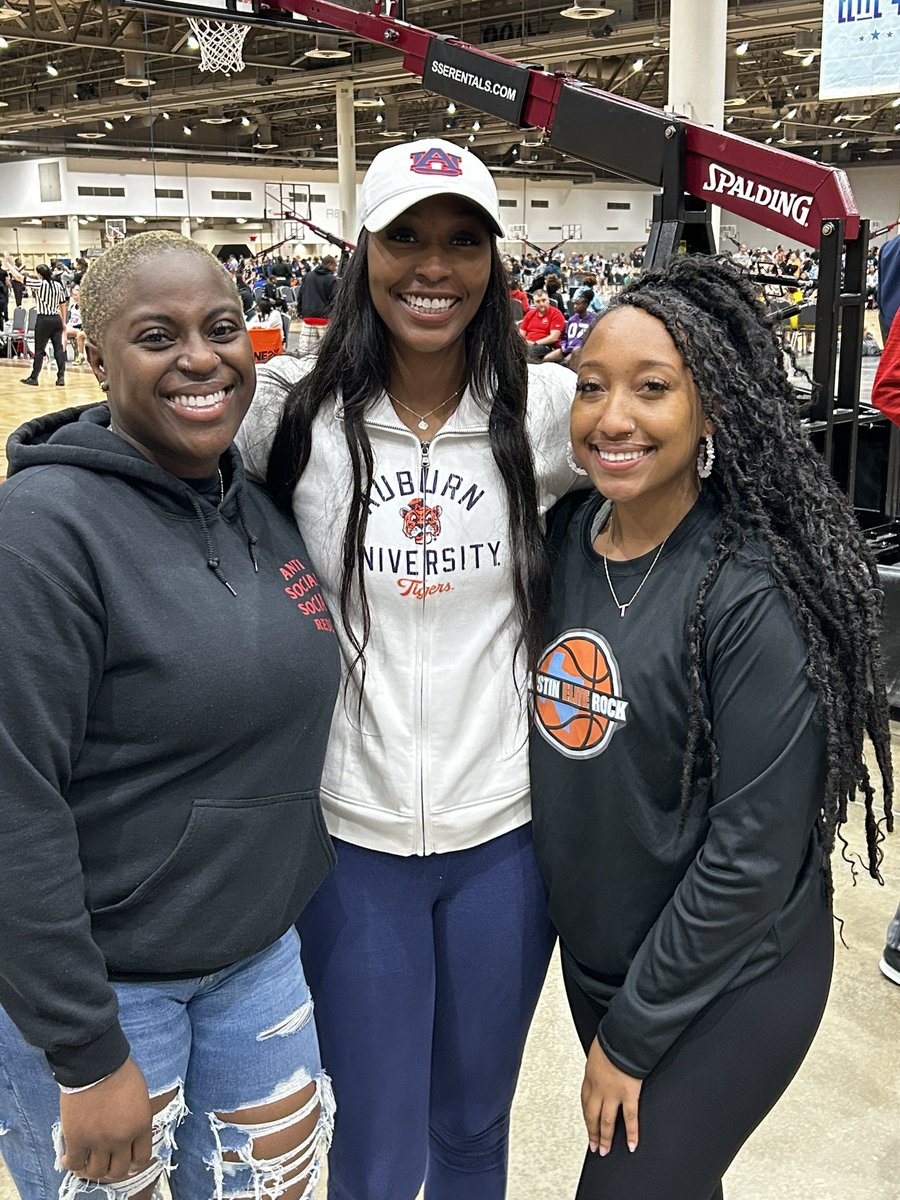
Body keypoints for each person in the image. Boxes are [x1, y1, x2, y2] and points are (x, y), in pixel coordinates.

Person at [237, 136, 581, 1200]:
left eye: (462, 242)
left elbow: (692, 439)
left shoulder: (551, 410)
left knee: (474, 1127)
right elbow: (147, 453)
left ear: (493, 263)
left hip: (507, 843)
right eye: (406, 240)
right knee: (375, 1146)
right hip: (353, 843)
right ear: (363, 257)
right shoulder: (288, 418)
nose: (434, 267)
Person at [529, 254, 893, 1200]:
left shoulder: (751, 591)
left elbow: (754, 854)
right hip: (607, 955)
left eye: (654, 390)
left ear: (713, 413)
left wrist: (633, 1036)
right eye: (592, 387)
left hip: (732, 975)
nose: (613, 418)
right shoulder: (570, 540)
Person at [0, 231, 339, 1200]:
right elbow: (12, 806)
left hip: (258, 964)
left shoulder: (256, 505)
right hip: (106, 995)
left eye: (222, 327)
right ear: (94, 355)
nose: (201, 357)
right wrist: (84, 1052)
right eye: (158, 335)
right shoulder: (41, 535)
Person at [15, 261, 68, 386]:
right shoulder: (58, 285)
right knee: (58, 349)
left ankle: (34, 377)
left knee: (39, 350)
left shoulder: (40, 283)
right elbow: (63, 304)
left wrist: (10, 266)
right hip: (56, 319)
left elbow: (20, 278)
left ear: (39, 274)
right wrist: (63, 321)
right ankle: (61, 377)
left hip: (43, 320)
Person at [296, 253, 338, 355]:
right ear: (329, 264)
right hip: (324, 319)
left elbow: (300, 295)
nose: (336, 268)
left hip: (308, 318)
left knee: (305, 353)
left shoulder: (308, 276)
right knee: (325, 352)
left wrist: (301, 312)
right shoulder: (331, 279)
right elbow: (335, 300)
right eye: (335, 265)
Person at [544, 290, 596, 366]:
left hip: (579, 350)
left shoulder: (593, 320)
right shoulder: (572, 319)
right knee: (547, 359)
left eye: (578, 304)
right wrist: (563, 345)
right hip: (567, 348)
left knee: (565, 363)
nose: (575, 306)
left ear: (586, 305)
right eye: (575, 304)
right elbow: (564, 336)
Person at [519, 287, 566, 361]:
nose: (541, 304)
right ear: (534, 303)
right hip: (527, 344)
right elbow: (521, 334)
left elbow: (554, 337)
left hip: (546, 346)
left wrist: (535, 343)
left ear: (548, 300)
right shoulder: (530, 314)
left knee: (529, 352)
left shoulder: (556, 314)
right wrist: (524, 343)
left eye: (544, 300)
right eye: (538, 301)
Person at [63, 282, 87, 363]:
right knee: (61, 333)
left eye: (76, 295)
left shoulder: (85, 306)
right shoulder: (73, 306)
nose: (74, 297)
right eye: (73, 295)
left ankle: (80, 356)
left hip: (79, 328)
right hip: (71, 327)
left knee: (65, 331)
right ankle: (63, 355)